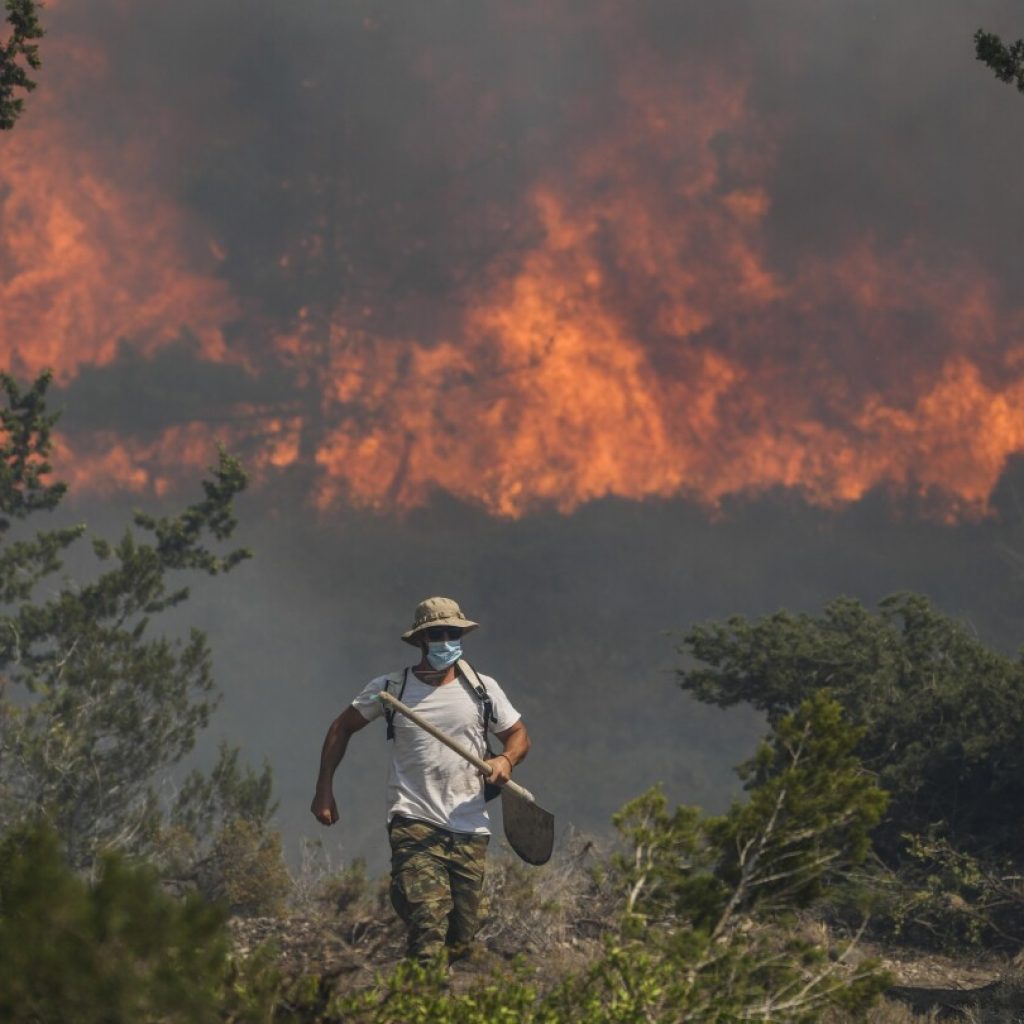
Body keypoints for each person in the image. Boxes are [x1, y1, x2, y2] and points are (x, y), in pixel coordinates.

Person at [311, 596, 530, 962]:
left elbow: (519, 734)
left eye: (452, 633)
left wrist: (506, 760)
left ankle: (406, 897)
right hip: (413, 820)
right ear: (421, 641)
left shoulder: (482, 689)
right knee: (429, 924)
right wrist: (323, 791)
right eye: (437, 634)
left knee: (460, 939)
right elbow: (341, 727)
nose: (446, 641)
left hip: (469, 825)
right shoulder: (392, 690)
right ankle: (418, 993)